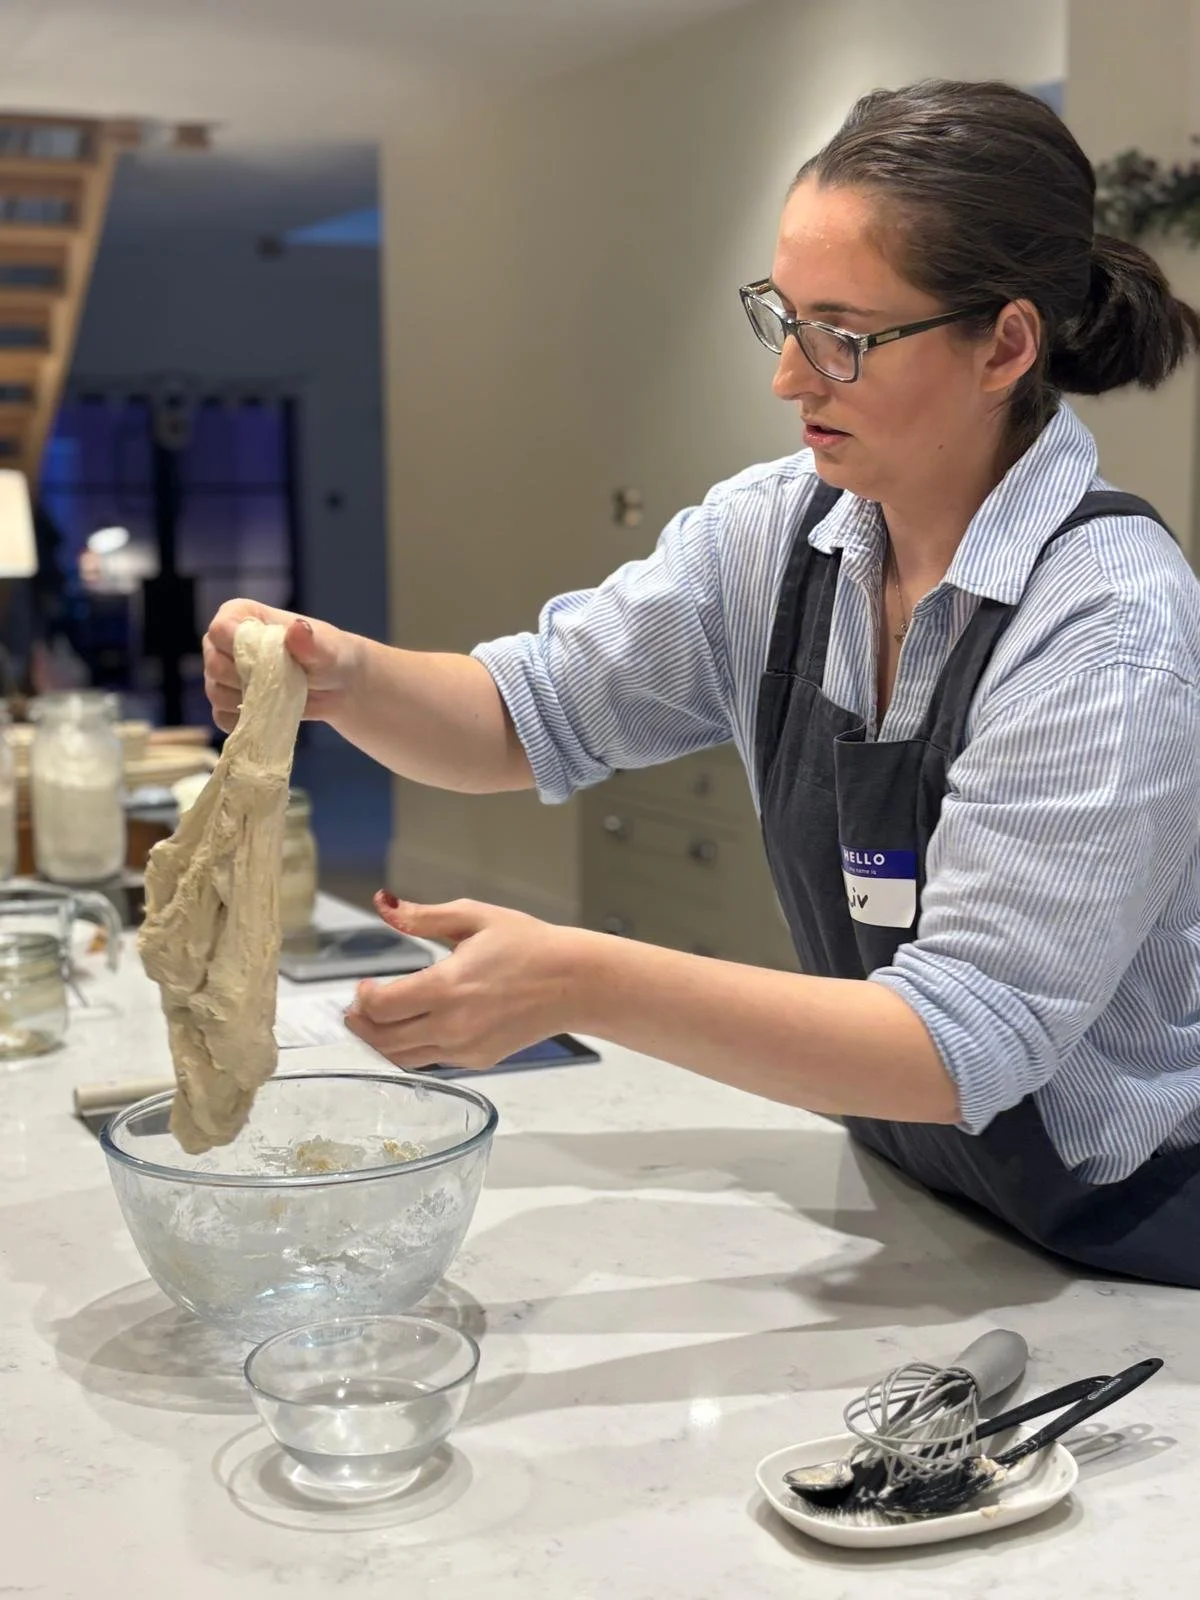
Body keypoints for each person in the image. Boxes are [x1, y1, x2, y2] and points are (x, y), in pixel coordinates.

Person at [205, 80, 1200, 1288]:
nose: (790, 377)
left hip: (1121, 1246)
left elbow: (961, 1041)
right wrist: (341, 675)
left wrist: (578, 978)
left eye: (845, 335)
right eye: (783, 316)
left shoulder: (1108, 627)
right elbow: (528, 716)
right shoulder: (783, 533)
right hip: (912, 1188)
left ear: (1004, 344)